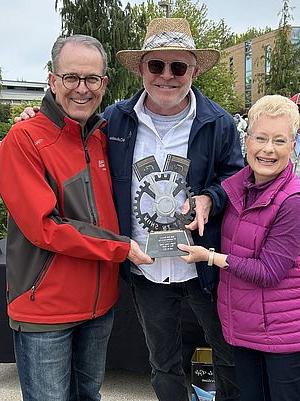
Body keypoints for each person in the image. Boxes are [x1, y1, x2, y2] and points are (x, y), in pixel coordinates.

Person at [15, 18, 243, 401]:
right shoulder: (117, 120)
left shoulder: (218, 123)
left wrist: (210, 198)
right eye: (156, 65)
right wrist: (37, 117)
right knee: (163, 363)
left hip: (203, 267)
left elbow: (236, 179)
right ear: (140, 69)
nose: (166, 76)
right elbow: (71, 132)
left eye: (178, 67)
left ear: (194, 70)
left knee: (230, 359)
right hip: (146, 269)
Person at [0, 34, 152, 401]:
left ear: (105, 83)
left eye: (91, 79)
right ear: (52, 80)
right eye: (71, 78)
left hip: (99, 308)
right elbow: (44, 228)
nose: (81, 89)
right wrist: (121, 247)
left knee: (89, 396)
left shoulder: (103, 136)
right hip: (46, 311)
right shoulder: (23, 140)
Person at [179, 95, 300, 401]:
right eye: (260, 138)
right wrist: (200, 202)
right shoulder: (236, 188)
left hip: (282, 337)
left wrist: (210, 257)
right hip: (244, 330)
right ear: (246, 140)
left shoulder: (293, 200)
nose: (268, 149)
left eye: (279, 140)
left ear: (293, 144)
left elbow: (270, 272)